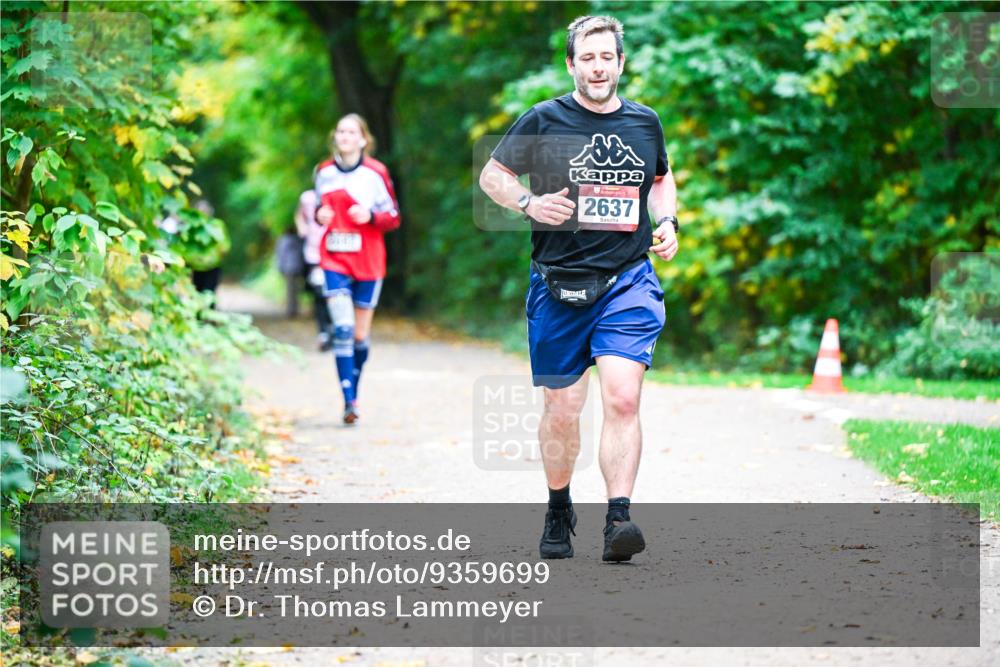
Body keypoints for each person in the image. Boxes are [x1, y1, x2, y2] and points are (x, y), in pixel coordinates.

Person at [478, 16, 680, 562]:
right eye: (587, 58)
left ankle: (619, 519)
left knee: (622, 395)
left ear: (620, 62)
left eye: (606, 57)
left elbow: (661, 179)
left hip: (628, 280)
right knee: (563, 408)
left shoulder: (644, 122)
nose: (598, 67)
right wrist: (529, 204)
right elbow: (491, 176)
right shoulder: (544, 119)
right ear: (572, 64)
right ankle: (558, 505)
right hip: (558, 284)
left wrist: (667, 223)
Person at [314, 113, 401, 425]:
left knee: (360, 336)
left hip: (368, 260)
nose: (345, 136)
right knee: (343, 329)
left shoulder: (375, 172)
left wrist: (371, 216)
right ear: (335, 137)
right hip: (334, 258)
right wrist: (320, 215)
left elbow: (393, 216)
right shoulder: (323, 172)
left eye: (351, 132)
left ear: (363, 139)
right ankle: (348, 400)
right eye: (340, 131)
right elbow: (318, 209)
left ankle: (355, 389)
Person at [295, 189, 334, 350]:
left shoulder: (337, 194)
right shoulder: (307, 197)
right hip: (314, 254)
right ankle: (324, 332)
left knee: (334, 292)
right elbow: (299, 215)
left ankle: (335, 329)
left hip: (335, 254)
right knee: (319, 293)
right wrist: (302, 228)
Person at [275, 225, 304, 318]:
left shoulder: (282, 241)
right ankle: (294, 309)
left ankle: (291, 310)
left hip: (288, 268)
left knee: (290, 290)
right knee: (296, 290)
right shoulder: (299, 240)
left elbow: (280, 255)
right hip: (298, 267)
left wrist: (280, 267)